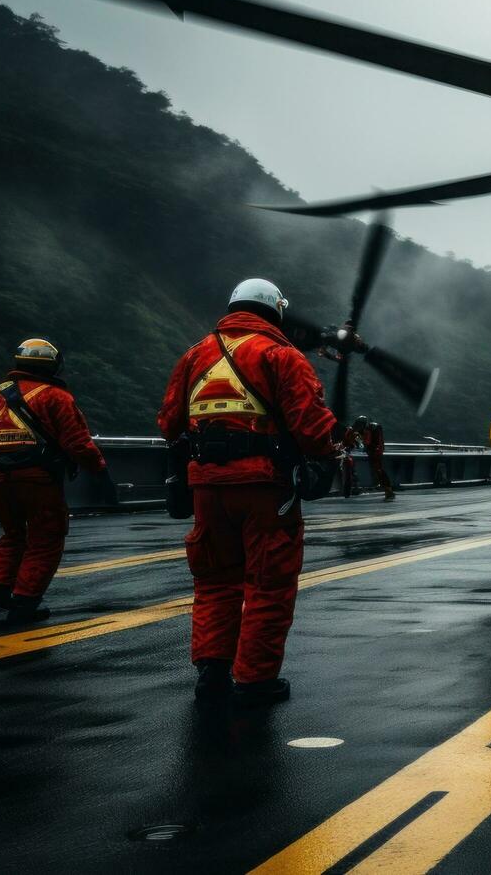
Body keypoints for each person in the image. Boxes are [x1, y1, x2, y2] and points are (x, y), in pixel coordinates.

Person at [158, 279, 339, 706]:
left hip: (205, 486)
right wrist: (328, 454)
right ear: (275, 311)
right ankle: (255, 680)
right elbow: (312, 427)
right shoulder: (281, 356)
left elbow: (169, 423)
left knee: (215, 580)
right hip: (264, 488)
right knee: (268, 582)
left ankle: (212, 671)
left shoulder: (193, 356)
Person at [0, 339, 108, 625]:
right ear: (54, 366)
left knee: (13, 535)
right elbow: (78, 442)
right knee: (46, 539)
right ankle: (25, 600)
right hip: (38, 480)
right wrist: (100, 471)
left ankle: (0, 587)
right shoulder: (55, 396)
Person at [347, 416, 395, 501]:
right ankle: (387, 489)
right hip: (373, 451)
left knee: (379, 470)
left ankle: (388, 490)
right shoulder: (364, 430)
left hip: (375, 451)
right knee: (378, 470)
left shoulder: (371, 429)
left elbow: (368, 443)